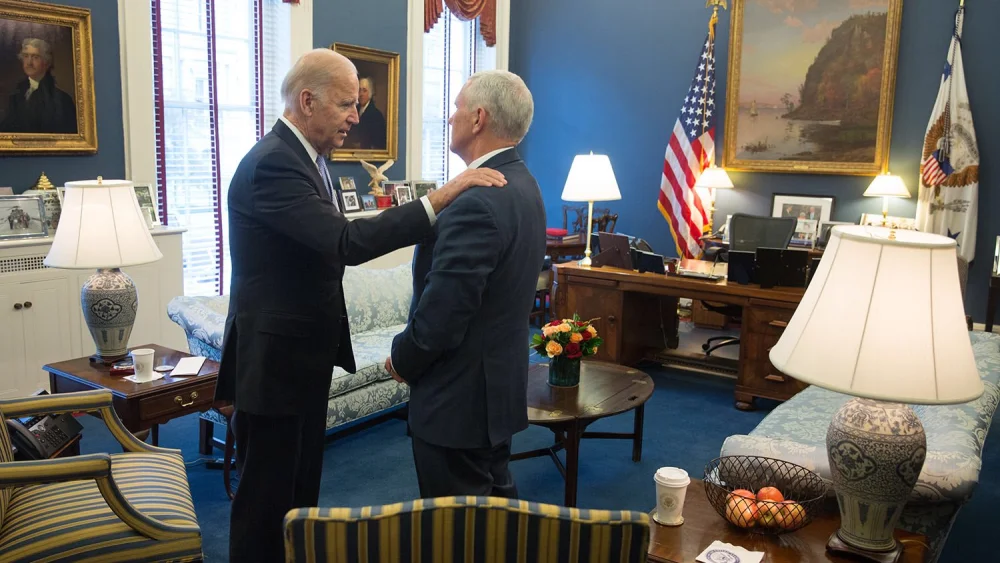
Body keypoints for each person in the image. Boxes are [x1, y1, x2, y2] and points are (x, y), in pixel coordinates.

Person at [218, 48, 507, 562]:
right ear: (307, 101)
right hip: (273, 367)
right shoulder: (272, 166)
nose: (357, 116)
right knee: (265, 503)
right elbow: (347, 242)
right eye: (348, 104)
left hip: (300, 360)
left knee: (299, 495)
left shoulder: (310, 158)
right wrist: (439, 198)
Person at [386, 70, 546, 498]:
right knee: (493, 525)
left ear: (478, 118)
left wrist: (402, 359)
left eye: (456, 107)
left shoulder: (476, 201)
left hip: (457, 403)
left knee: (456, 537)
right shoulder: (525, 186)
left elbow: (442, 316)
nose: (450, 117)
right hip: (494, 393)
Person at [0, 38, 77, 133]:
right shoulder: (14, 94)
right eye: (25, 56)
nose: (29, 62)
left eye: (35, 57)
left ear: (46, 62)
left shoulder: (62, 100)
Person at [343, 76, 386, 149]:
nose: (361, 94)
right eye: (359, 90)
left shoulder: (376, 115)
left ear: (370, 93)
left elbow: (378, 144)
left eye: (364, 90)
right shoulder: (353, 110)